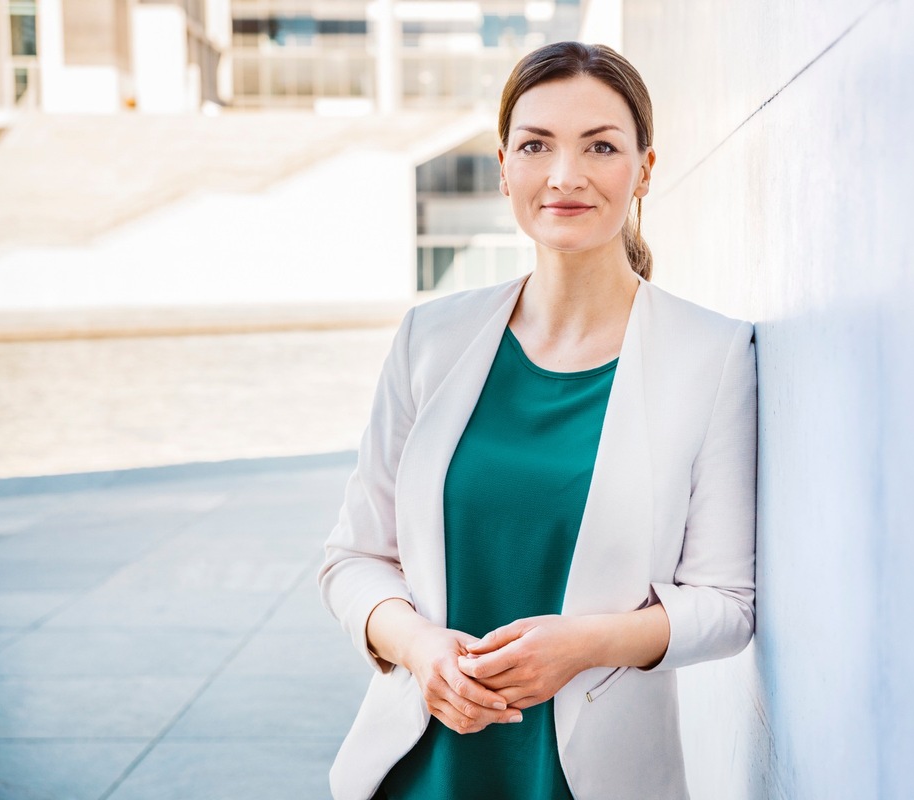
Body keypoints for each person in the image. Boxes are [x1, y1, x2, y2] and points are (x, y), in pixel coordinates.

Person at [318, 41, 757, 800]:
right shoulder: (431, 339)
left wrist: (586, 644)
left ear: (645, 169)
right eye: (536, 145)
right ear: (503, 166)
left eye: (601, 146)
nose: (565, 175)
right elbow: (353, 559)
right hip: (421, 770)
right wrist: (422, 650)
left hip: (590, 779)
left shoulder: (712, 355)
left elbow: (727, 604)